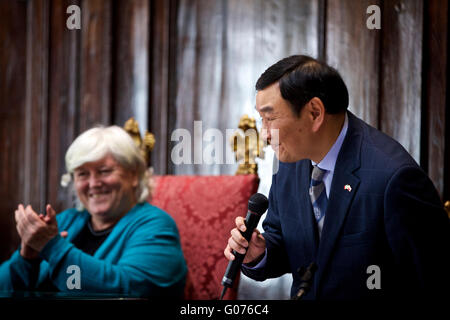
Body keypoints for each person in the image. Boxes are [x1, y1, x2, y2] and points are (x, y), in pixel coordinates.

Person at [224, 55, 450, 300]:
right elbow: (287, 242)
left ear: (314, 113)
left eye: (270, 119)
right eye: (261, 119)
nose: (265, 135)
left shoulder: (394, 178)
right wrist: (260, 253)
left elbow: (434, 283)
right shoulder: (289, 162)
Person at [0, 125, 187, 298]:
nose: (93, 184)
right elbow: (5, 288)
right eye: (82, 174)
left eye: (104, 171)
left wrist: (52, 247)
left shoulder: (156, 226)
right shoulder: (65, 221)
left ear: (133, 175)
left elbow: (128, 289)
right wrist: (26, 259)